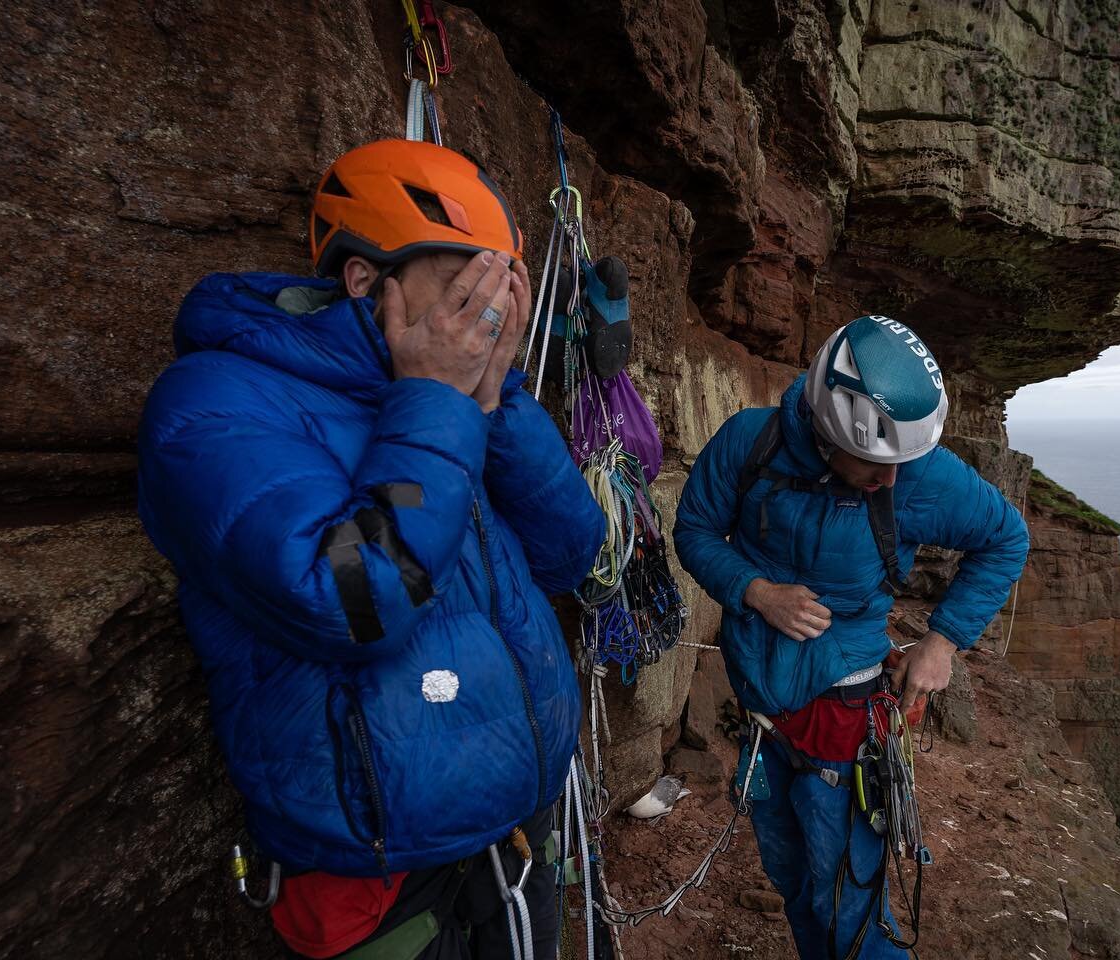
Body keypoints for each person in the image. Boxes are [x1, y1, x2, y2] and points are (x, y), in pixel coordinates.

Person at [137, 139, 605, 959]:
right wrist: (431, 401)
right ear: (364, 280)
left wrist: (491, 405)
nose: (490, 308)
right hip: (381, 875)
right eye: (465, 281)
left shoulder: (464, 399)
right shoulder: (214, 402)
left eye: (500, 282)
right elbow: (349, 602)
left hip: (519, 828)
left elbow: (571, 552)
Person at [673, 315, 1029, 959]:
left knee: (849, 897)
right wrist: (754, 589)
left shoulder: (918, 474)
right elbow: (694, 528)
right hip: (762, 707)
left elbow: (1006, 538)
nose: (892, 479)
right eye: (874, 463)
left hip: (844, 718)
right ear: (827, 431)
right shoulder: (751, 442)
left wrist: (942, 641)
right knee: (792, 879)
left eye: (901, 463)